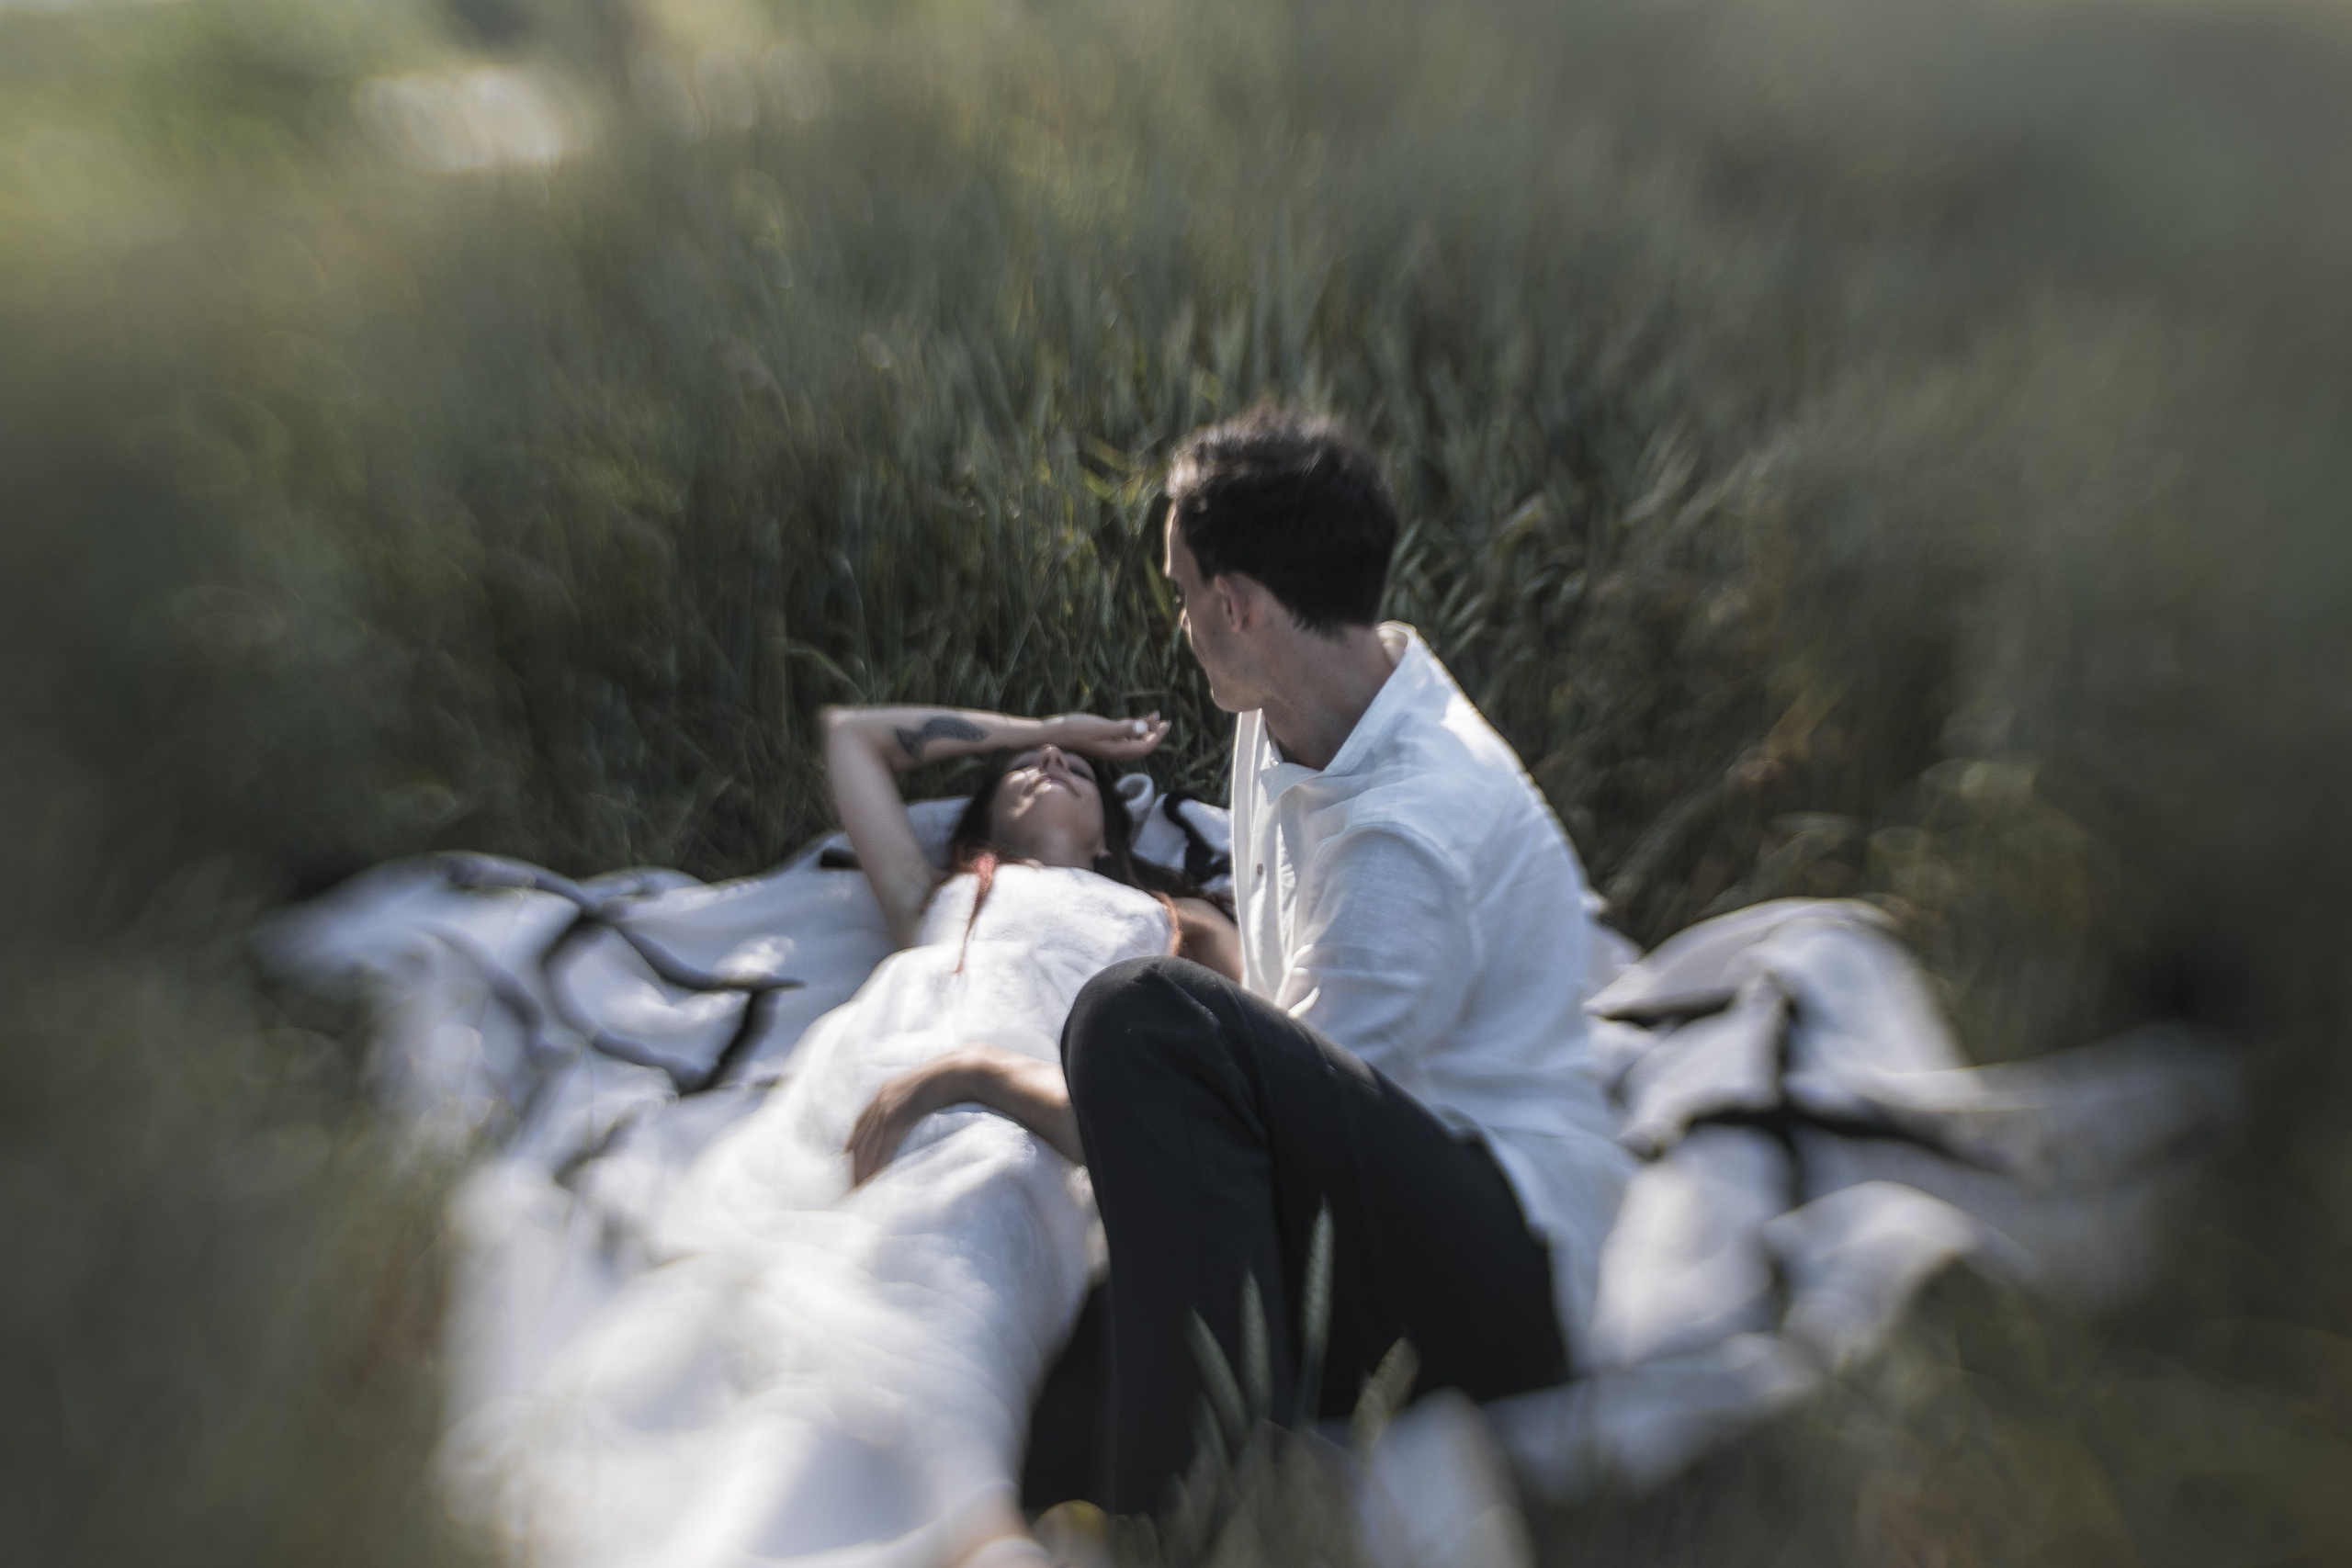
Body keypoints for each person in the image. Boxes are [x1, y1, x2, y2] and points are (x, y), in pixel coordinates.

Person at [872, 407, 1635, 1516]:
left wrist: (971, 1075)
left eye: (1182, 593)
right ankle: (1176, 1471)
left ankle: (1199, 1524)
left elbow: (1267, 1144)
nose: (1178, 621)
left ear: (1237, 606)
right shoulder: (1287, 700)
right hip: (1371, 1174)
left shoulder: (1407, 838)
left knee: (1135, 1016)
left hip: (1498, 1269)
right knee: (1056, 1435)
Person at [455, 703, 1235, 1568]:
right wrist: (1046, 727)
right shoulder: (940, 893)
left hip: (1019, 1116)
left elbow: (1247, 1066)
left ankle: (959, 1516)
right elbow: (851, 736)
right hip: (857, 1094)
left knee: (957, 1241)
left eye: (1076, 768)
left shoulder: (1172, 919)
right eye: (1027, 766)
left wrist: (993, 1082)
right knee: (761, 1300)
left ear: (1110, 834)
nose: (1050, 761)